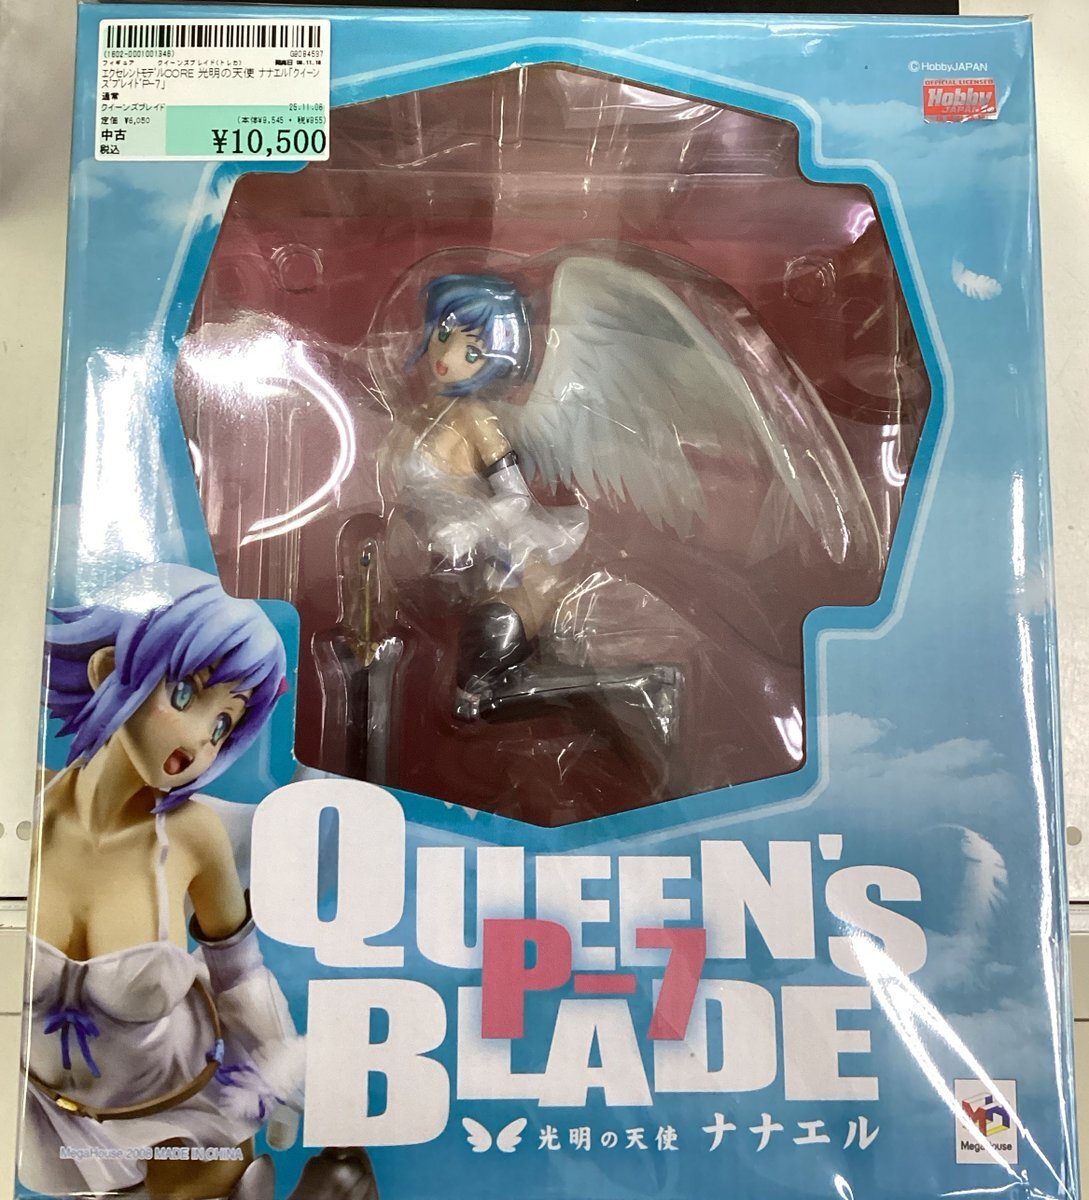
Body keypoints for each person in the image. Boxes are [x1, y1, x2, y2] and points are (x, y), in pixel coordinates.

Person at [21, 566, 304, 1200]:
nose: (202, 738)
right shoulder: (19, 804)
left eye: (224, 724)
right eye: (186, 695)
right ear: (107, 671)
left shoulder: (194, 836)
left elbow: (241, 978)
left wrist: (277, 1078)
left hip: (186, 1117)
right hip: (51, 1122)